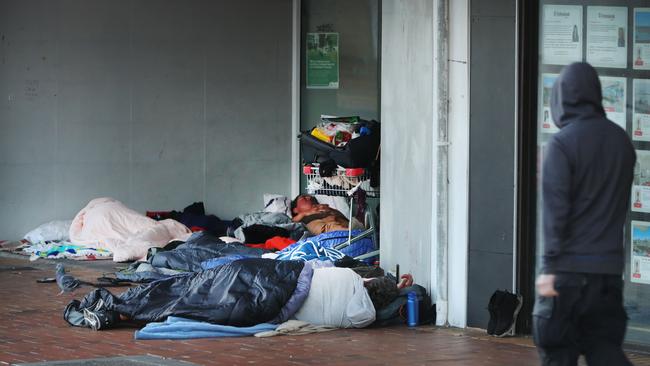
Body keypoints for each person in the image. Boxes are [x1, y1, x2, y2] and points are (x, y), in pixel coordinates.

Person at [534, 62, 636, 366]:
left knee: (557, 353)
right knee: (605, 351)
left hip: (567, 275)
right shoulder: (622, 142)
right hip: (608, 276)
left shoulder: (562, 145)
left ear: (560, 98)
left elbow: (556, 215)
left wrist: (548, 269)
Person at [291, 194, 363, 235]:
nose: (309, 197)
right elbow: (290, 222)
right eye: (303, 198)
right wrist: (305, 213)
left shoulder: (323, 208)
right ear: (295, 210)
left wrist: (330, 210)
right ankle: (353, 231)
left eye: (310, 196)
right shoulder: (300, 219)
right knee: (328, 229)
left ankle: (357, 230)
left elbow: (342, 218)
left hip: (341, 223)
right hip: (317, 225)